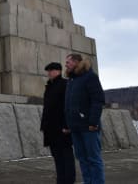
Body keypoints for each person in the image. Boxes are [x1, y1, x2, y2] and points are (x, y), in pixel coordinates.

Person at [64, 54, 106, 184]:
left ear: (77, 62)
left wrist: (93, 122)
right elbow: (69, 105)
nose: (66, 65)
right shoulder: (71, 80)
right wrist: (68, 124)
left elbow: (98, 100)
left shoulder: (90, 77)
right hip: (75, 127)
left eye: (68, 62)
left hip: (89, 127)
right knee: (82, 158)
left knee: (93, 158)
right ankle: (88, 182)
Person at [41, 62, 76, 184]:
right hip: (51, 129)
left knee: (66, 158)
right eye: (48, 71)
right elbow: (48, 108)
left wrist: (67, 125)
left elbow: (68, 106)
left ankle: (69, 181)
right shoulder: (49, 86)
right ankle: (61, 181)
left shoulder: (64, 85)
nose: (49, 73)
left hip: (62, 129)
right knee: (57, 158)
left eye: (51, 70)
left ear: (58, 71)